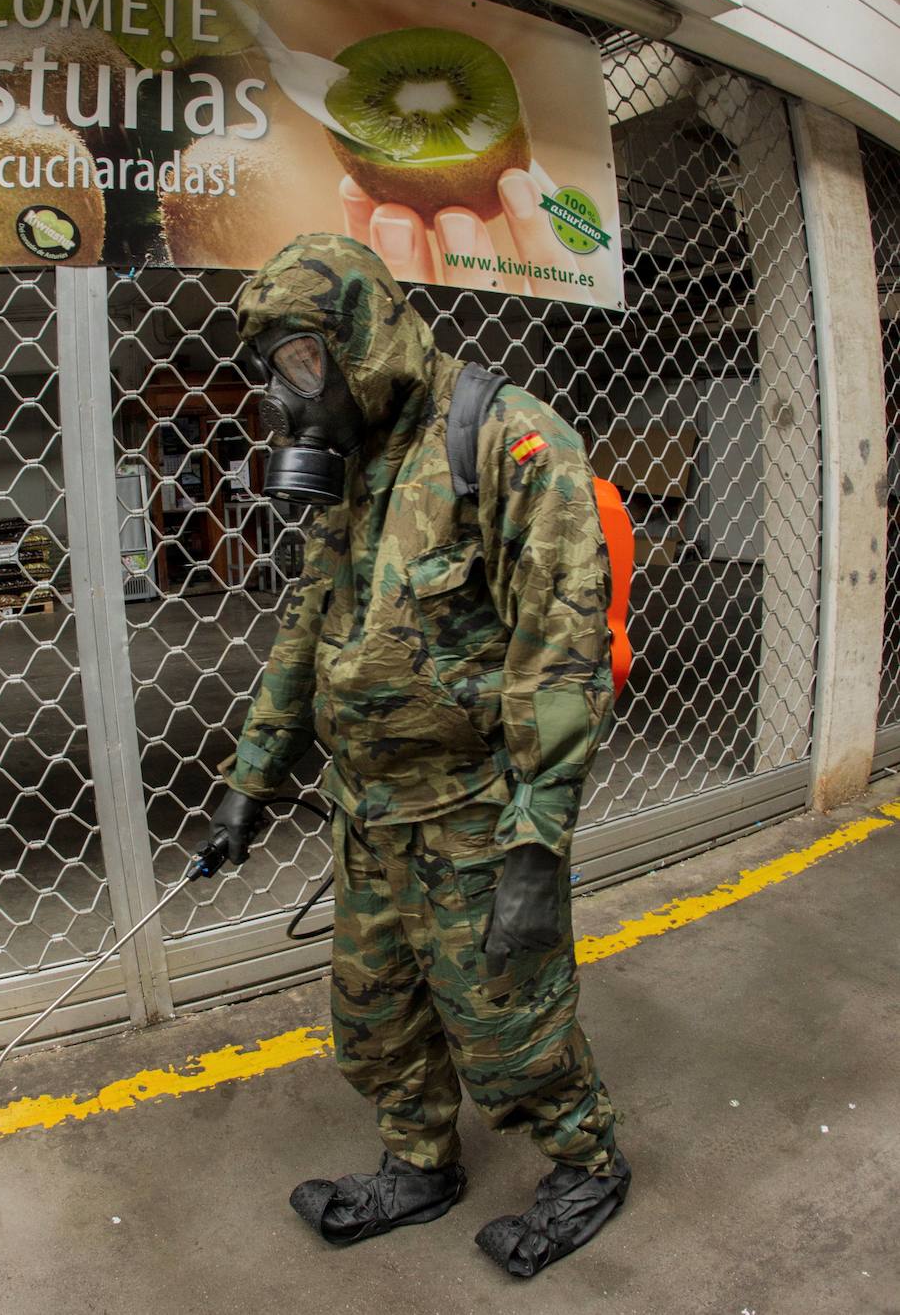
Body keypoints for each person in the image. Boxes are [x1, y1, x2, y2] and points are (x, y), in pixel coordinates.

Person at [208, 232, 630, 1279]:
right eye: (279, 373)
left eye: (305, 363)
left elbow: (563, 650)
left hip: (475, 812)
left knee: (507, 1023)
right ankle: (418, 1159)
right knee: (373, 1016)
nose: (292, 395)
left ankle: (585, 1160)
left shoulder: (504, 441)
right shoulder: (349, 466)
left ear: (362, 334)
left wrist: (536, 845)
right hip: (367, 812)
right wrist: (249, 782)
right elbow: (305, 629)